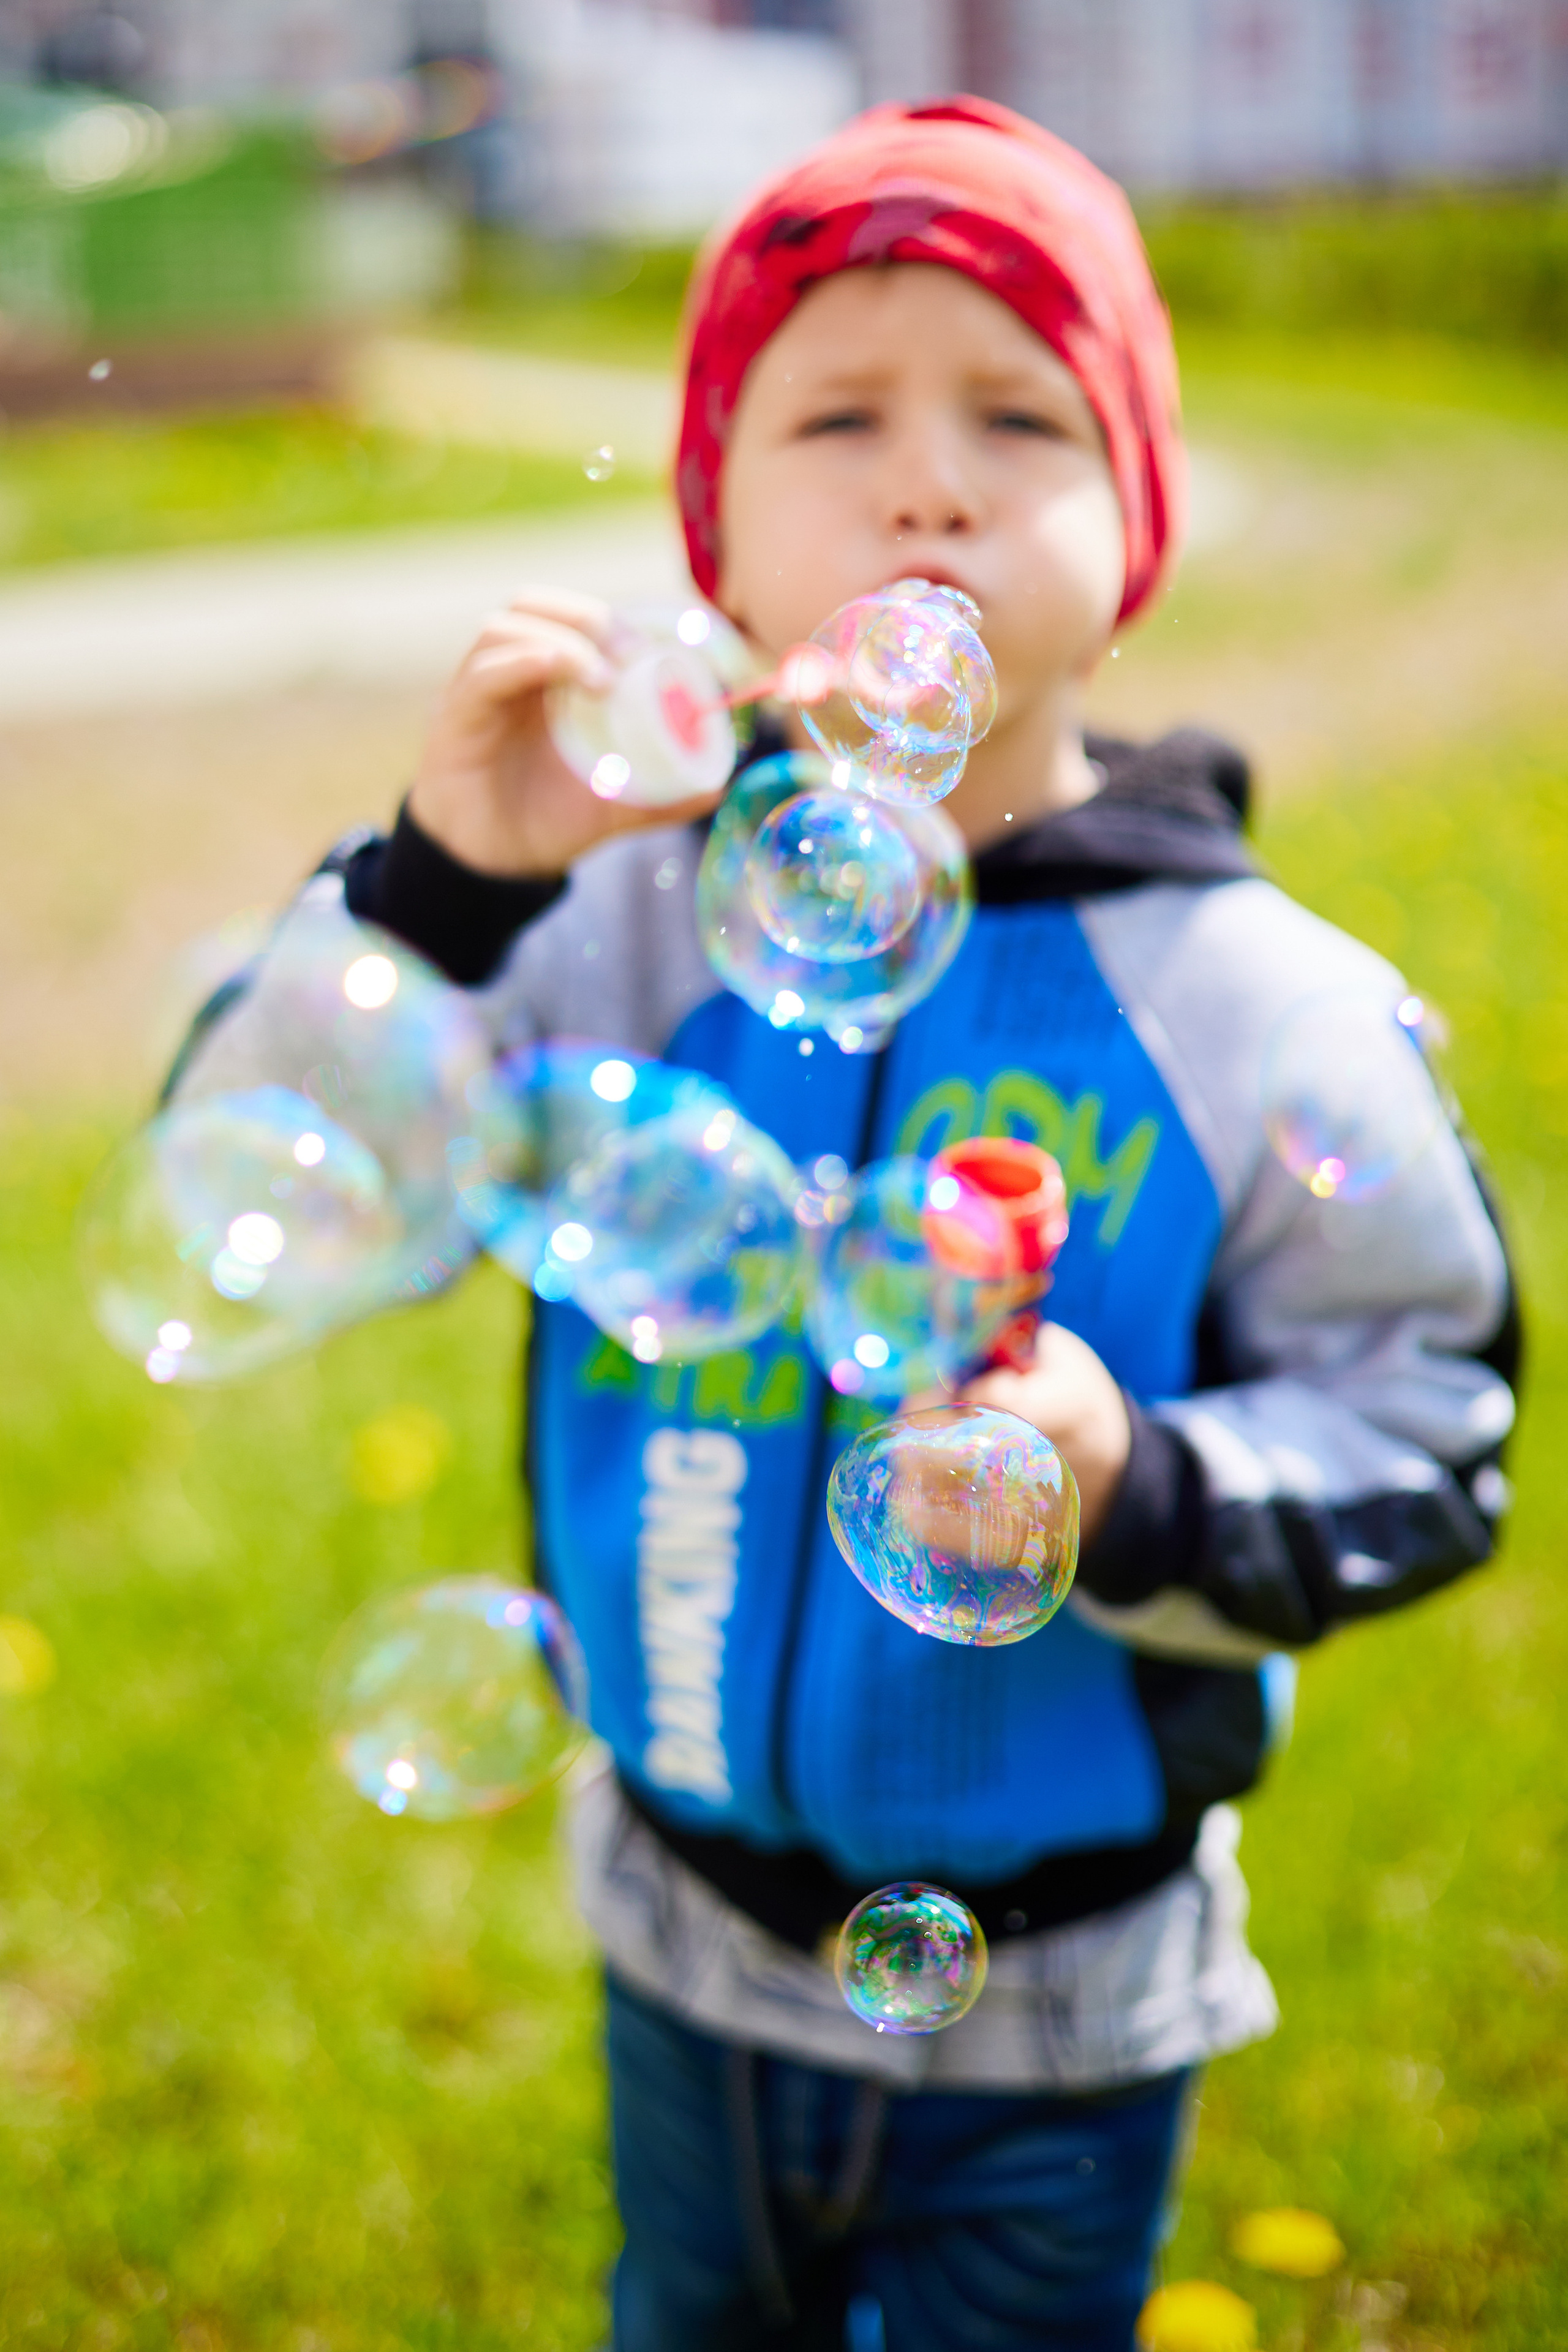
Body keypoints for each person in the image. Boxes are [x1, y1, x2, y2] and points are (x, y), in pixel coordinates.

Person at [183, 98, 1519, 2351]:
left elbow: (1431, 1425)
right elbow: (267, 1175)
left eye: (1021, 415)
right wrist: (446, 882)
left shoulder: (1248, 1005)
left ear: (1137, 519)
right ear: (711, 530)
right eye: (838, 419)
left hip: (1065, 1997)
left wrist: (1137, 1485)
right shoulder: (606, 923)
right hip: (682, 1946)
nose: (930, 486)